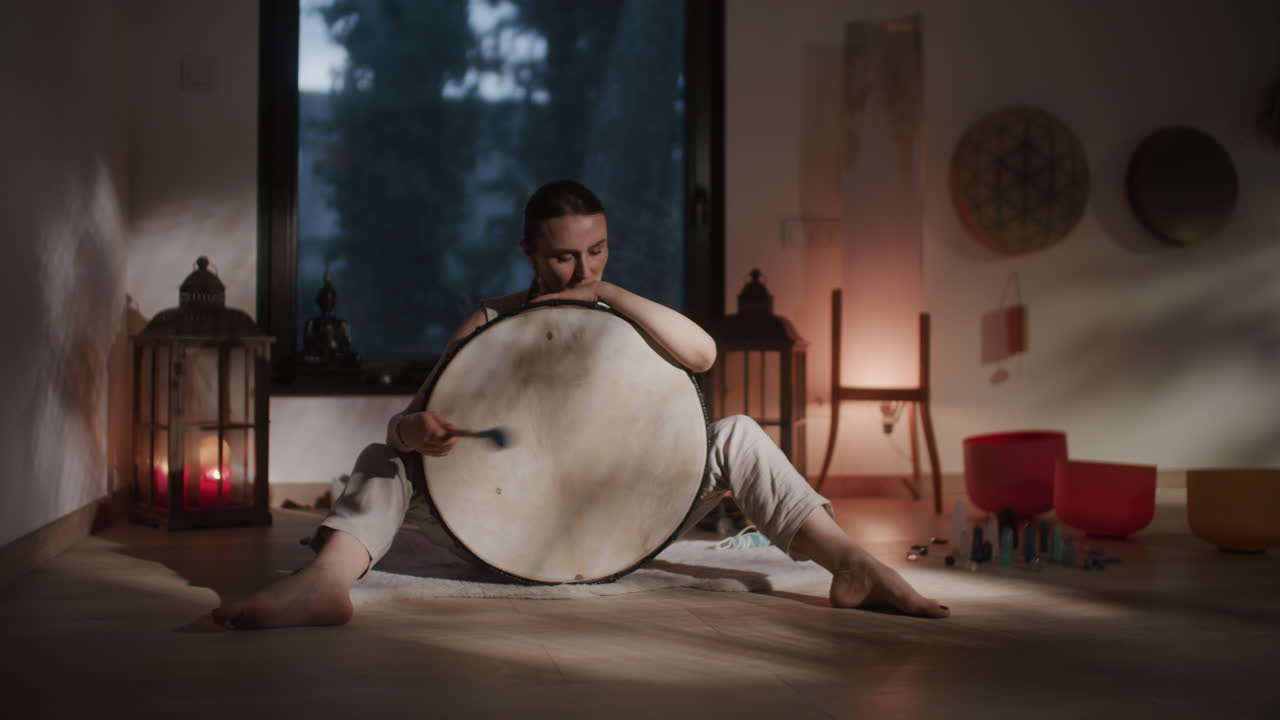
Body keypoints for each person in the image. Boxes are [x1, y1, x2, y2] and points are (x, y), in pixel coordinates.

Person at [212, 180, 949, 629]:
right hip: (498, 529)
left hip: (620, 523)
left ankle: (848, 565)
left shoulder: (620, 311)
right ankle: (324, 585)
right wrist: (419, 430)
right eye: (564, 256)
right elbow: (400, 427)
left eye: (598, 250)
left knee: (738, 433)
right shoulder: (490, 322)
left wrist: (609, 294)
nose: (583, 266)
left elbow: (702, 355)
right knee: (382, 459)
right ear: (529, 251)